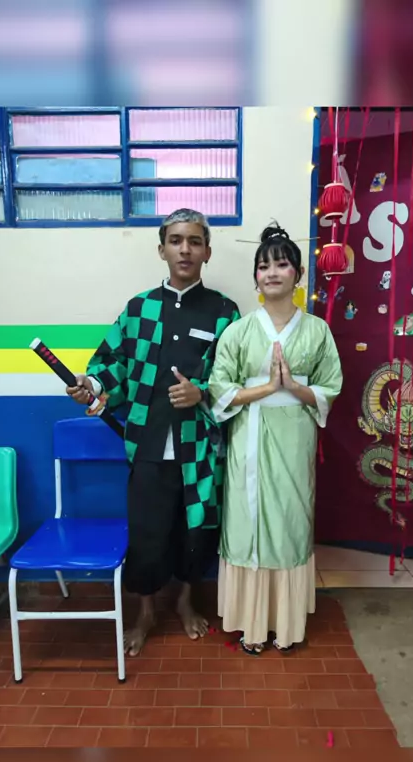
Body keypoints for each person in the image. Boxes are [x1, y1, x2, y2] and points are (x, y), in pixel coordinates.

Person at [67, 209, 240, 656]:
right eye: (176, 240)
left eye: (195, 241)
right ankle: (145, 612)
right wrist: (93, 385)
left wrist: (201, 392)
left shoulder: (224, 312)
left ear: (207, 251)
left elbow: (233, 375)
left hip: (199, 449)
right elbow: (113, 364)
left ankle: (185, 601)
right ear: (161, 249)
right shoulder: (138, 309)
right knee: (147, 532)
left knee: (195, 530)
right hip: (146, 442)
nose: (185, 249)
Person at [208, 224, 343, 654]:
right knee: (246, 521)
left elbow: (330, 387)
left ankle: (285, 626)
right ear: (255, 277)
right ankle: (250, 626)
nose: (271, 273)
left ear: (298, 274)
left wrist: (294, 387)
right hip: (248, 437)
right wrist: (266, 388)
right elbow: (219, 389)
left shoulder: (318, 331)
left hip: (294, 438)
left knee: (289, 519)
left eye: (282, 264)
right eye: (264, 266)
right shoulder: (238, 331)